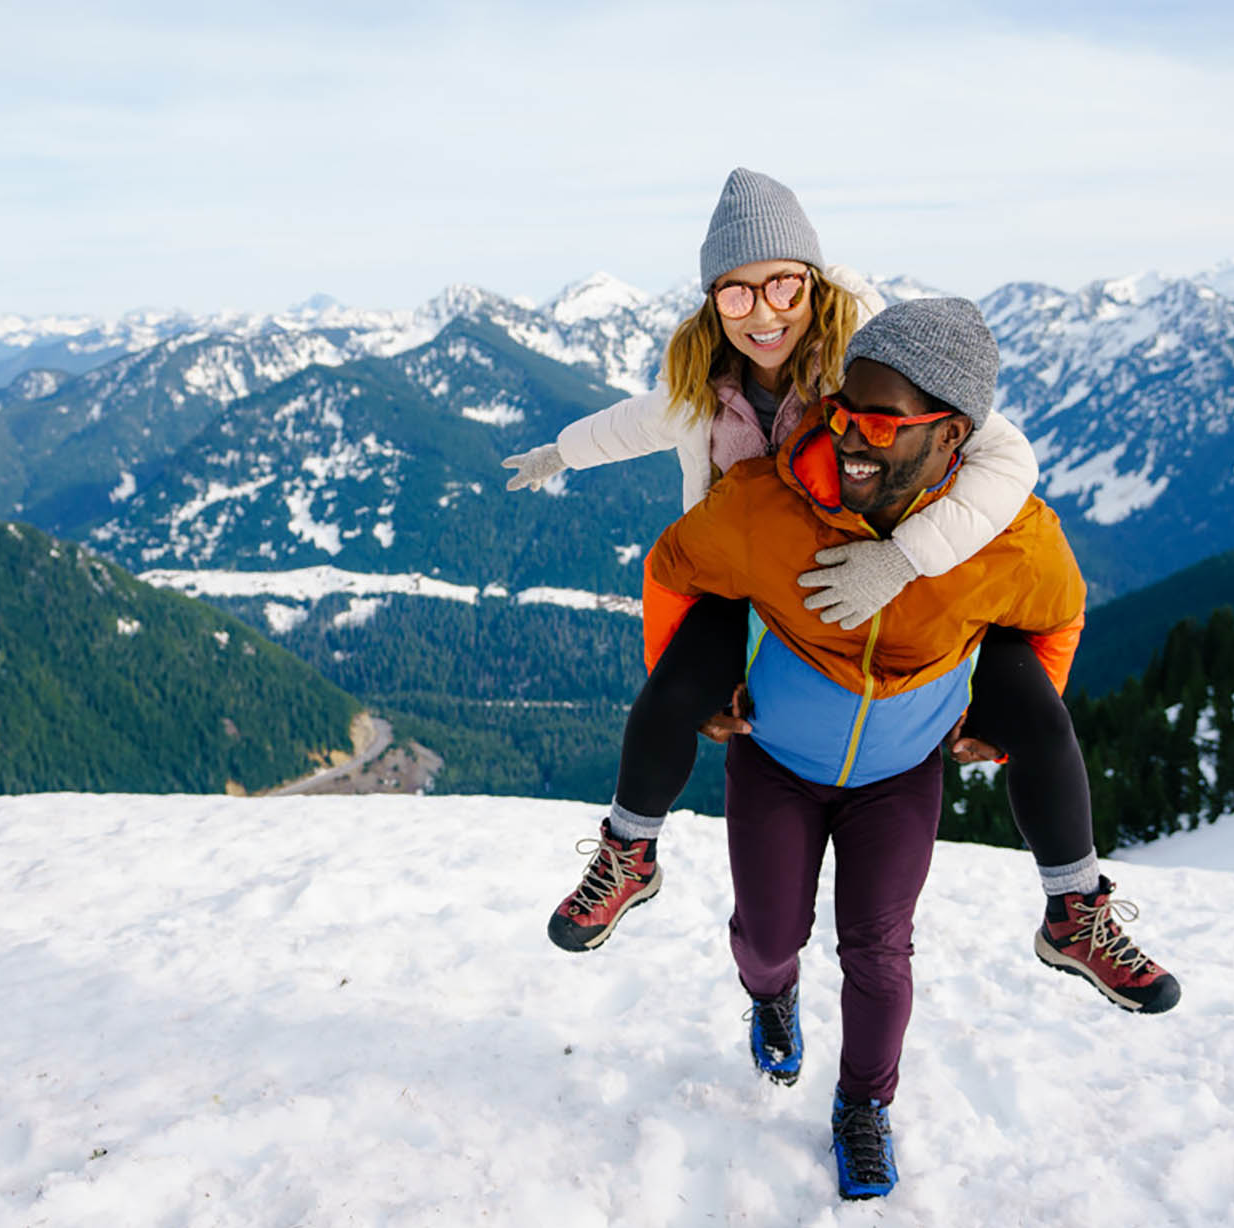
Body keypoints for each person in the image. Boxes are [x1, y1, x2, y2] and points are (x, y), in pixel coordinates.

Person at [503, 169, 1171, 1016]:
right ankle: (630, 856)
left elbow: (1007, 458)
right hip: (758, 577)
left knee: (1034, 708)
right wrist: (561, 452)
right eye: (736, 294)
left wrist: (908, 560)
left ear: (814, 282)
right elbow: (637, 421)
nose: (764, 311)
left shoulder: (869, 367)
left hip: (906, 568)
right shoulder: (705, 384)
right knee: (673, 686)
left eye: (782, 283)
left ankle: (1075, 910)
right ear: (713, 304)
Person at [634, 297, 1173, 1199]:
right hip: (775, 764)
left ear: (952, 435)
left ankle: (862, 1108)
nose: (851, 439)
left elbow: (1057, 615)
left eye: (881, 424)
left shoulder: (1010, 537)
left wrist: (1011, 717)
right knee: (769, 939)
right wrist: (686, 684)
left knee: (878, 950)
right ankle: (770, 997)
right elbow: (674, 568)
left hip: (898, 779)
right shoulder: (769, 500)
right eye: (844, 413)